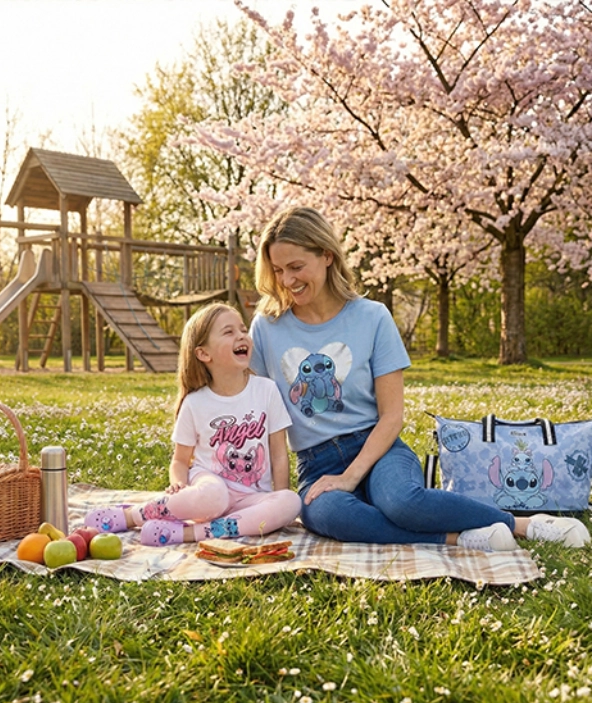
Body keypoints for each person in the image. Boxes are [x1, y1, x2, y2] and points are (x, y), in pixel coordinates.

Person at [249, 206, 590, 551]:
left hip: (379, 448)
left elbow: (392, 415)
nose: (286, 280)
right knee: (331, 515)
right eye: (277, 270)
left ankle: (524, 524)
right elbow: (256, 409)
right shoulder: (267, 326)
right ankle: (458, 537)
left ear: (326, 256)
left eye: (295, 267)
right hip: (315, 460)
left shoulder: (372, 317)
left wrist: (351, 476)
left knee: (401, 503)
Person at [85, 302, 301, 547]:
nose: (241, 335)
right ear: (203, 354)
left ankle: (187, 534)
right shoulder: (195, 403)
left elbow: (279, 453)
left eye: (242, 329)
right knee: (215, 496)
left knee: (290, 502)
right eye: (228, 332)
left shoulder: (266, 390)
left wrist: (278, 494)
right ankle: (131, 516)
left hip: (250, 500)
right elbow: (180, 460)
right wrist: (179, 482)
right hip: (208, 492)